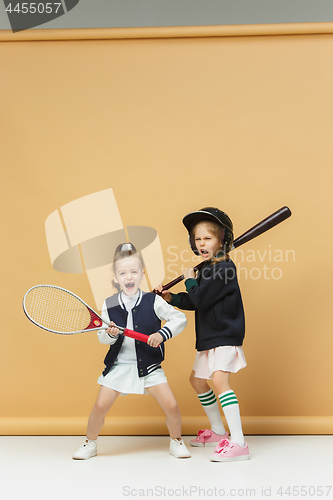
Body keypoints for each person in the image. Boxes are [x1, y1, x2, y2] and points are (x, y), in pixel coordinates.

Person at [73, 243, 190, 460]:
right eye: (123, 273)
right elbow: (102, 337)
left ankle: (176, 441)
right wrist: (111, 334)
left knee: (172, 405)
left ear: (142, 274)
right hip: (119, 366)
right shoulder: (108, 304)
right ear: (116, 277)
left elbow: (179, 318)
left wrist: (163, 334)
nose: (129, 277)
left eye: (134, 272)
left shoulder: (153, 300)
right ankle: (90, 442)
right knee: (100, 406)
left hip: (149, 366)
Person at [155, 208, 249, 462]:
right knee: (197, 381)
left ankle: (239, 443)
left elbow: (200, 296)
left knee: (219, 382)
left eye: (208, 238)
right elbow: (196, 301)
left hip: (225, 335)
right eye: (197, 239)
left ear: (222, 240)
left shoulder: (224, 269)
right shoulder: (208, 268)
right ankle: (219, 432)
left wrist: (188, 280)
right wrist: (172, 297)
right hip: (209, 336)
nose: (201, 243)